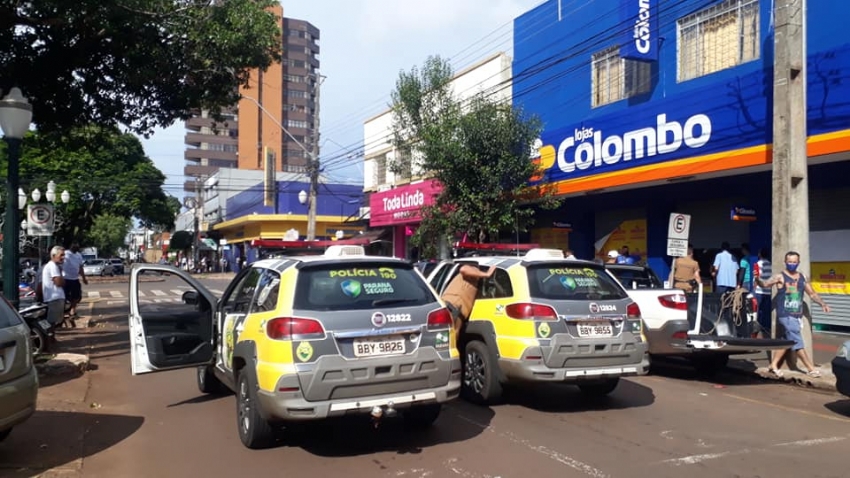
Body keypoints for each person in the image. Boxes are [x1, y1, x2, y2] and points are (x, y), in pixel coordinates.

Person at [757, 251, 830, 378]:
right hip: (785, 314)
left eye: (794, 262)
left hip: (797, 314)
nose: (792, 264)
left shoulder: (802, 277)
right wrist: (757, 278)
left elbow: (812, 294)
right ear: (785, 262)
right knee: (797, 341)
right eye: (789, 262)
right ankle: (810, 368)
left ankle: (773, 365)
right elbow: (764, 284)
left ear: (798, 262)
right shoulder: (780, 277)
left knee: (787, 341)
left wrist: (823, 304)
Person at [441, 264, 496, 332]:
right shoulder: (469, 275)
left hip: (458, 314)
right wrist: (486, 274)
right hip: (451, 308)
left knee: (452, 338)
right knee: (445, 338)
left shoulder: (475, 286)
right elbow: (463, 269)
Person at [62, 243, 88, 325]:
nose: (76, 248)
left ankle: (72, 310)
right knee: (64, 297)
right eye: (74, 246)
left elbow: (80, 267)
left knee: (77, 296)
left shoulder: (78, 255)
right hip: (65, 278)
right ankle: (63, 313)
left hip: (75, 278)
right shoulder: (65, 253)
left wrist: (83, 278)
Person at [41, 246, 67, 327]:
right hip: (55, 298)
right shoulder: (53, 266)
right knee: (51, 324)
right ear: (53, 256)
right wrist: (62, 280)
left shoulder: (55, 266)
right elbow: (59, 282)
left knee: (54, 324)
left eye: (64, 255)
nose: (63, 257)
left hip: (56, 298)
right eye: (61, 255)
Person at [753, 248, 773, 335]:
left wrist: (754, 288)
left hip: (759, 291)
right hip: (768, 291)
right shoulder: (771, 264)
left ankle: (757, 327)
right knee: (766, 311)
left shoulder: (758, 264)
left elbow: (756, 278)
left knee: (757, 310)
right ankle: (766, 327)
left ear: (760, 254)